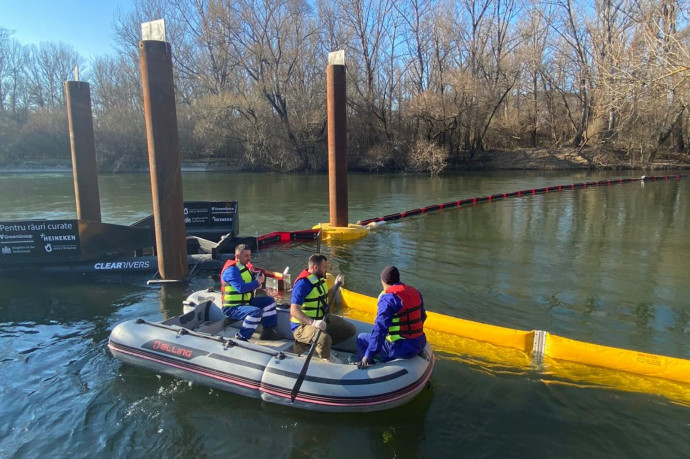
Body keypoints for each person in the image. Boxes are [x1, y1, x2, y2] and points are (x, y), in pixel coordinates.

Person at [356, 266, 427, 369]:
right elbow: (423, 316)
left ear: (383, 281)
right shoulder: (415, 292)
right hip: (419, 342)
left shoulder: (388, 299)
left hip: (401, 348)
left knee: (361, 338)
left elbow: (380, 328)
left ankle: (369, 365)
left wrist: (368, 355)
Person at [290, 254, 356, 360]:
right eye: (324, 267)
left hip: (321, 319)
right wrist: (313, 323)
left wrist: (336, 285)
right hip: (302, 326)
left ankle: (320, 346)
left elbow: (324, 297)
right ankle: (325, 357)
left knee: (350, 330)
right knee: (324, 339)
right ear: (316, 267)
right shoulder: (302, 284)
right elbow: (294, 310)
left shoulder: (318, 278)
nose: (326, 269)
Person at [220, 244, 283, 341]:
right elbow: (240, 288)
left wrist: (259, 286)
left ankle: (267, 332)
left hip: (245, 302)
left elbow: (248, 285)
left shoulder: (244, 268)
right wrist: (257, 282)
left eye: (249, 255)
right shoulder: (231, 271)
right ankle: (241, 337)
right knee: (255, 312)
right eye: (246, 256)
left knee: (269, 301)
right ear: (237, 256)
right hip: (232, 307)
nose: (249, 258)